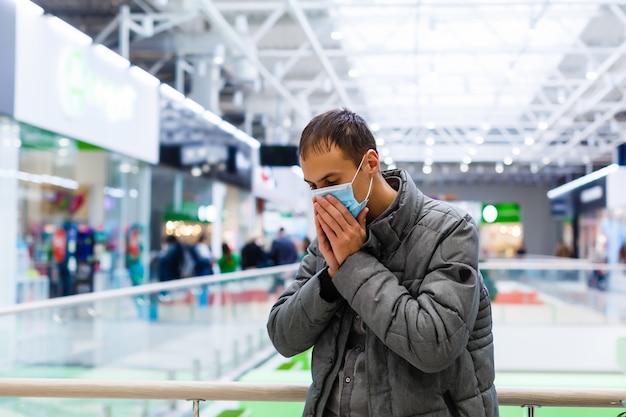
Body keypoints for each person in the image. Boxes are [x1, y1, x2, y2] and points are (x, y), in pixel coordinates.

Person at [267, 108, 499, 417]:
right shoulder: (327, 242)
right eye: (313, 186)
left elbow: (434, 344)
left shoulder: (450, 230)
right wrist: (329, 280)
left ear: (371, 164)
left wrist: (352, 264)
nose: (322, 196)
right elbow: (283, 335)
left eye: (331, 181)